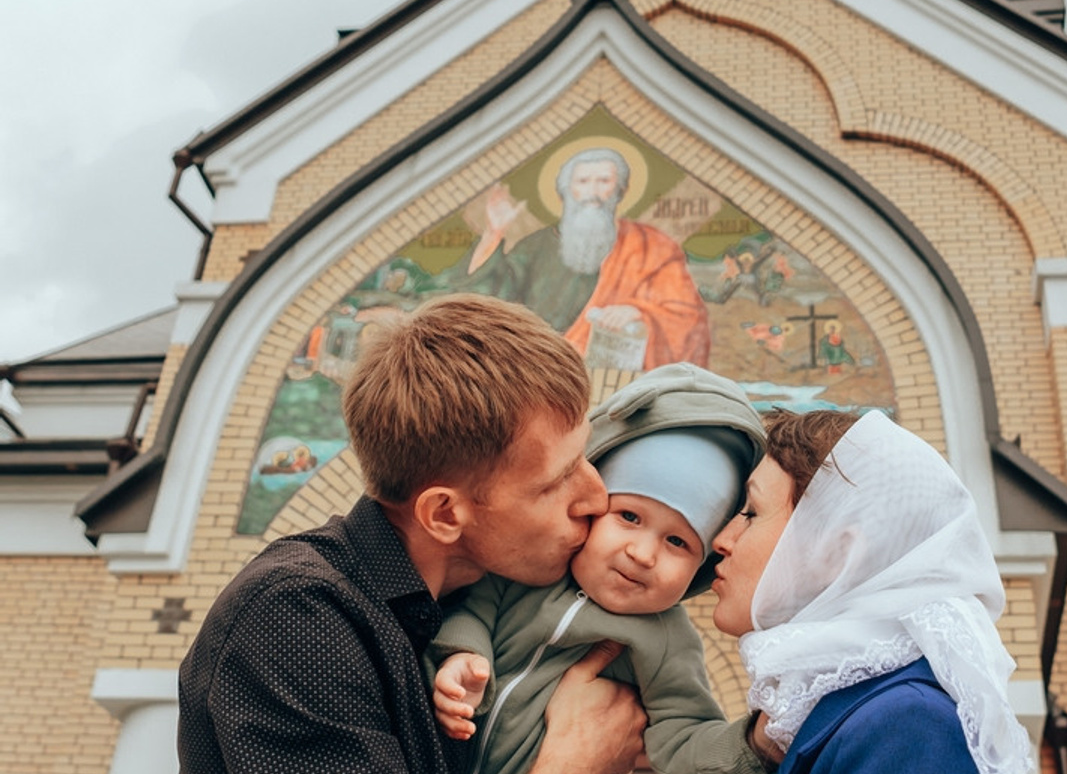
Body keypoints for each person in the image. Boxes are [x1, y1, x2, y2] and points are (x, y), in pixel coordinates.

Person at [177, 293, 647, 774]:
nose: (597, 498)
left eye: (585, 457)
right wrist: (575, 764)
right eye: (555, 482)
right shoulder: (293, 618)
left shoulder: (484, 601)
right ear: (444, 514)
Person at [429, 363, 768, 774]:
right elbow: (469, 609)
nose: (643, 554)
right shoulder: (530, 573)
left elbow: (684, 733)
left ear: (700, 567)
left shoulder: (666, 640)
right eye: (628, 516)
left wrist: (756, 745)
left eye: (677, 542)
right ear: (592, 507)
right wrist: (464, 654)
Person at [711, 408, 1036, 774]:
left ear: (835, 552)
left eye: (751, 512)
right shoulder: (830, 718)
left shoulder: (908, 726)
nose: (721, 540)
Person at [457, 147, 710, 369]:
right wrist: (493, 233)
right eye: (583, 181)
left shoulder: (652, 246)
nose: (593, 191)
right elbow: (487, 300)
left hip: (619, 385)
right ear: (566, 192)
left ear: (620, 190)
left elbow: (688, 318)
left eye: (603, 181)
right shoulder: (535, 246)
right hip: (545, 378)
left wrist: (639, 312)